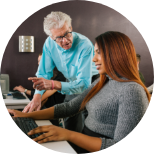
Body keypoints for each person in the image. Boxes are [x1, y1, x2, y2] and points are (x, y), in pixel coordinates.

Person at [7, 31, 150, 153]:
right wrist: (28, 115)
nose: (94, 59)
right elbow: (69, 107)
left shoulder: (132, 91)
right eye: (94, 53)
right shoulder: (101, 82)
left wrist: (68, 134)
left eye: (99, 53)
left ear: (116, 54)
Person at [22, 11, 99, 132]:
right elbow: (43, 74)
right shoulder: (49, 44)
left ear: (71, 28)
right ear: (51, 37)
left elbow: (84, 84)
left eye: (67, 34)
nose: (65, 41)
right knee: (70, 120)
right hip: (71, 80)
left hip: (92, 80)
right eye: (59, 38)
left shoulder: (85, 45)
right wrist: (37, 96)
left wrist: (53, 84)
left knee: (90, 120)